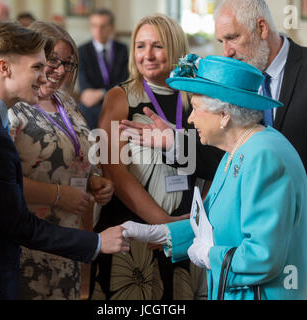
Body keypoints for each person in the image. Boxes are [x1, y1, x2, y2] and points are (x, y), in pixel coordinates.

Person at [125, 0, 307, 264]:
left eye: (232, 38)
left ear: (261, 28)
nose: (226, 51)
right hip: (246, 244)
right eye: (221, 41)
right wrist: (175, 143)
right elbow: (227, 152)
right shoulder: (234, 81)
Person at [0, 22, 129, 300]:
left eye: (63, 64)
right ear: (4, 68)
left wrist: (91, 180)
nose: (46, 74)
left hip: (48, 242)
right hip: (8, 258)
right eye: (38, 66)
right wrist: (96, 241)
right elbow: (17, 223)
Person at [122, 55, 307, 300]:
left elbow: (264, 256)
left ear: (224, 114)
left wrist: (209, 256)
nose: (190, 119)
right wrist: (163, 233)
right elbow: (211, 227)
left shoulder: (265, 156)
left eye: (196, 109)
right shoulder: (238, 148)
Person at [90, 14, 220, 301]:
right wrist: (161, 223)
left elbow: (215, 157)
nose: (146, 55)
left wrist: (196, 220)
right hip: (137, 231)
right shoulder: (120, 96)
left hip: (189, 231)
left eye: (157, 46)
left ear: (174, 49)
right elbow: (113, 169)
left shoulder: (196, 96)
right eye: (140, 46)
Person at [8, 21, 114, 300]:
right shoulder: (14, 106)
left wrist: (94, 181)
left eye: (67, 63)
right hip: (31, 239)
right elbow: (3, 180)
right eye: (52, 60)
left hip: (69, 239)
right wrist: (58, 195)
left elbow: (73, 157)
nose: (60, 71)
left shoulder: (66, 102)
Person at [78, 8, 129, 129]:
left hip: (116, 99)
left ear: (111, 27)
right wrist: (98, 94)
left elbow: (124, 80)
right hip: (92, 103)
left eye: (103, 26)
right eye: (94, 26)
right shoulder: (82, 50)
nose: (98, 30)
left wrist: (102, 92)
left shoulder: (122, 49)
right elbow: (84, 84)